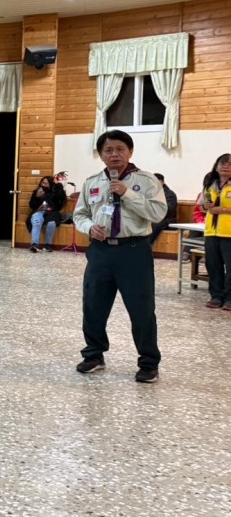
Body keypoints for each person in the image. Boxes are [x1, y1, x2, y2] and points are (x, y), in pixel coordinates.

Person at [73, 130, 168, 383]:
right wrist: (89, 228)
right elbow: (80, 214)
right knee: (93, 305)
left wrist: (127, 193)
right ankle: (94, 354)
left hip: (134, 251)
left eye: (120, 149)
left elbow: (158, 213)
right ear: (101, 155)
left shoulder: (146, 181)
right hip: (100, 251)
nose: (114, 154)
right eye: (108, 150)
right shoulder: (92, 182)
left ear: (130, 152)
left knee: (141, 309)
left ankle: (148, 362)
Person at [202, 153, 231, 310]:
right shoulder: (210, 183)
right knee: (213, 265)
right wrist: (206, 206)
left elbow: (220, 209)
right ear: (216, 166)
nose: (225, 167)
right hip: (211, 231)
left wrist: (223, 210)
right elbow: (204, 204)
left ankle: (229, 298)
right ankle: (216, 296)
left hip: (229, 232)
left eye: (229, 164)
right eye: (222, 163)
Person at [26, 176, 67, 252]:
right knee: (36, 222)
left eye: (46, 183)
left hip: (52, 212)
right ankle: (34, 244)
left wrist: (58, 185)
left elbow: (61, 197)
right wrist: (37, 197)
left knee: (51, 223)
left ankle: (48, 245)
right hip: (39, 211)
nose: (44, 185)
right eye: (43, 183)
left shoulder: (55, 193)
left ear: (50, 184)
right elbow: (32, 206)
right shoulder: (37, 192)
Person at [148, 173, 179, 245]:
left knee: (154, 224)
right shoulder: (149, 193)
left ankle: (147, 245)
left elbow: (170, 210)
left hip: (167, 219)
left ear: (162, 182)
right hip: (153, 217)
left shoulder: (170, 194)